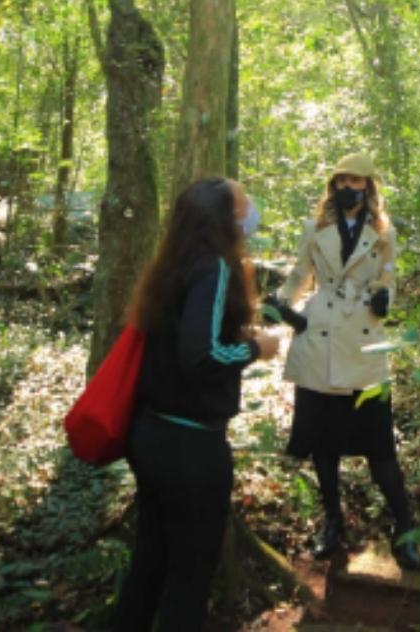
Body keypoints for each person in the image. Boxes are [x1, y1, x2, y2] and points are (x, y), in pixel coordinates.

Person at [113, 177, 281, 632]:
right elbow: (199, 356)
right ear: (222, 221)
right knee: (190, 576)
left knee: (150, 562)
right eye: (244, 206)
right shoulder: (215, 269)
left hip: (151, 436)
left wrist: (232, 337)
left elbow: (187, 339)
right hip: (190, 449)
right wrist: (254, 349)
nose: (251, 214)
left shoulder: (174, 266)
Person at [275, 153, 420, 571]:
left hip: (362, 345)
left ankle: (405, 529)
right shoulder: (314, 228)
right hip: (318, 338)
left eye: (357, 182)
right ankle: (333, 524)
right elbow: (298, 275)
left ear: (369, 187)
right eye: (343, 181)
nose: (349, 188)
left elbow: (387, 281)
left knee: (381, 449)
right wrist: (284, 307)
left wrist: (383, 299)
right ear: (334, 186)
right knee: (324, 448)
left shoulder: (383, 232)